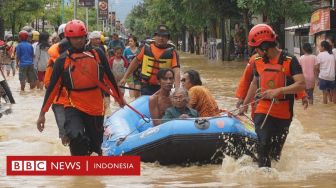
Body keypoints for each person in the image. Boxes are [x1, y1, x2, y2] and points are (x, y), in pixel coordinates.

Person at [36, 20, 125, 156]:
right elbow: (52, 89)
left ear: (86, 37)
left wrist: (119, 99)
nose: (78, 41)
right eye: (74, 38)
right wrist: (42, 114)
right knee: (75, 136)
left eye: (81, 37)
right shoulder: (62, 60)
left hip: (95, 106)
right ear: (68, 39)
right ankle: (79, 170)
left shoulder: (97, 54)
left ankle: (93, 173)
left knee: (95, 148)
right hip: (73, 105)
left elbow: (110, 79)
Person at [239, 24, 306, 168]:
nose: (255, 52)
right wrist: (244, 105)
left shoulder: (290, 60)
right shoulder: (257, 61)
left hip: (284, 114)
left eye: (256, 48)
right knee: (263, 145)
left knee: (275, 154)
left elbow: (301, 84)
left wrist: (279, 91)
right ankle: (263, 179)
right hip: (262, 110)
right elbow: (254, 83)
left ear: (265, 46)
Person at [120, 25, 180, 95]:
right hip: (146, 85)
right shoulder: (146, 48)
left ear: (168, 38)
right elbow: (135, 62)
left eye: (164, 36)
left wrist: (177, 88)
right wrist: (125, 77)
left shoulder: (172, 52)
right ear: (155, 37)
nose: (161, 38)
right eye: (159, 35)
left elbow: (177, 71)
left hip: (164, 88)